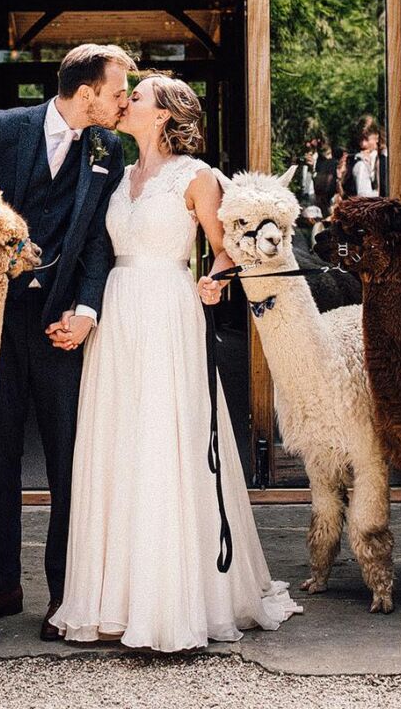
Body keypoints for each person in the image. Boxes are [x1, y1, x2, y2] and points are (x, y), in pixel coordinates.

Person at [52, 74, 301, 652]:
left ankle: (172, 601)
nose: (125, 100)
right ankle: (113, 599)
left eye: (135, 96)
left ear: (163, 114)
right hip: (117, 314)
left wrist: (216, 279)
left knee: (167, 442)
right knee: (118, 444)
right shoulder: (116, 174)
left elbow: (222, 248)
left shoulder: (197, 177)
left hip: (168, 310)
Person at [0, 44, 133, 640]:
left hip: (60, 326)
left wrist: (88, 311)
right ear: (86, 92)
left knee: (69, 459)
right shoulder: (5, 128)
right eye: (118, 91)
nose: (123, 102)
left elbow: (100, 239)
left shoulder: (108, 149)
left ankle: (65, 596)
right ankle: (1, 587)